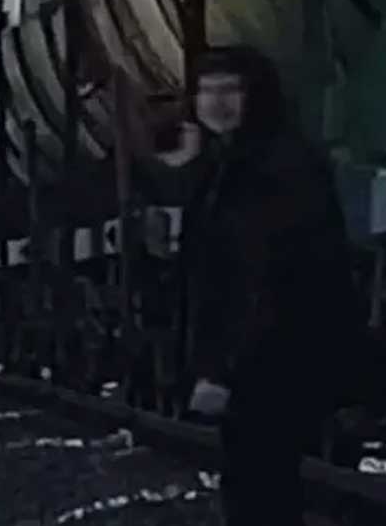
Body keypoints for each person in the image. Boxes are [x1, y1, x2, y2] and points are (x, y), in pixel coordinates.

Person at [140, 46, 365, 525]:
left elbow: (263, 276)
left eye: (231, 90)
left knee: (259, 492)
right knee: (257, 488)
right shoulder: (241, 161)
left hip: (271, 366)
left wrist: (221, 371)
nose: (216, 102)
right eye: (206, 90)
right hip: (266, 364)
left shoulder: (274, 169)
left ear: (256, 96)